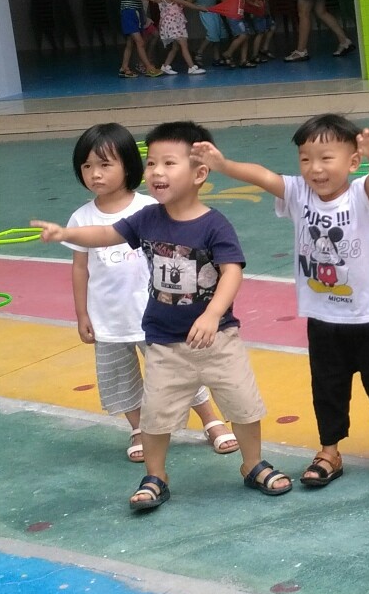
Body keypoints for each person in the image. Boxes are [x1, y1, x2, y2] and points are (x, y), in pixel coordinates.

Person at [35, 122, 287, 509]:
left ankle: (252, 464)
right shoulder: (147, 218)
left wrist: (212, 314)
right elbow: (105, 235)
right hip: (164, 342)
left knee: (243, 405)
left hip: (217, 338)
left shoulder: (214, 224)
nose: (156, 171)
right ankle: (156, 476)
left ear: (199, 173)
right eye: (151, 163)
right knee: (155, 414)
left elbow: (232, 271)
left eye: (169, 163)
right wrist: (65, 233)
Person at [199, 116, 369, 489]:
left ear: (353, 161)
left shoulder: (363, 194)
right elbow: (263, 176)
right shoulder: (299, 193)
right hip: (323, 316)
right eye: (305, 159)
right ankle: (329, 451)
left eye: (326, 158)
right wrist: (224, 165)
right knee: (327, 387)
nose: (315, 168)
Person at [64, 122, 240, 464]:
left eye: (105, 164)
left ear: (129, 165)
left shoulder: (151, 209)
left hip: (157, 316)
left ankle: (211, 420)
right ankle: (138, 428)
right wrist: (82, 313)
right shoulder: (81, 218)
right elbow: (80, 268)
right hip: (109, 318)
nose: (95, 174)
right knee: (119, 376)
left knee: (180, 370)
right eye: (86, 166)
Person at [151, 0, 207, 76]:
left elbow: (180, 5)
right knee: (183, 44)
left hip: (176, 22)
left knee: (176, 47)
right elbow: (184, 3)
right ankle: (191, 67)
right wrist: (199, 7)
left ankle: (165, 66)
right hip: (172, 23)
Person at [115, 0, 155, 77]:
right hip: (129, 14)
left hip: (136, 14)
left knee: (130, 43)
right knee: (140, 42)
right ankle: (149, 68)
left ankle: (124, 68)